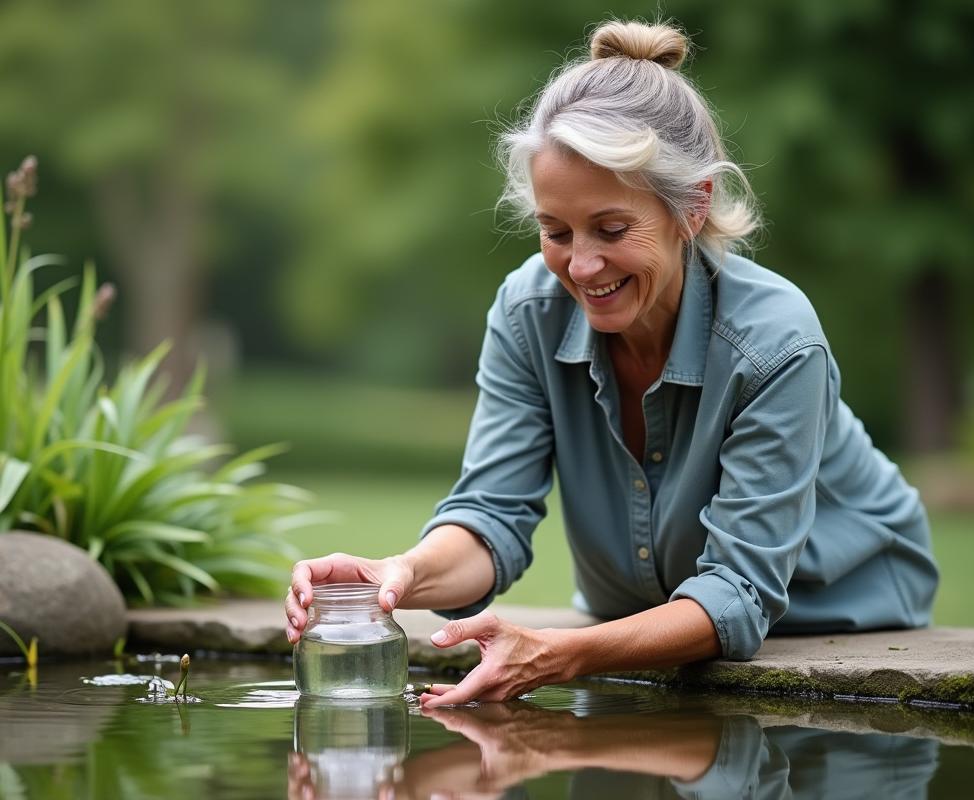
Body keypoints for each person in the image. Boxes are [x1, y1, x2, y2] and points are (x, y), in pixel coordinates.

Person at [285, 19, 939, 707]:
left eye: (612, 229)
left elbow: (738, 593)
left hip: (841, 606)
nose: (582, 265)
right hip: (639, 620)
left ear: (693, 207)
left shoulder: (778, 342)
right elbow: (491, 515)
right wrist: (400, 575)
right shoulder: (526, 313)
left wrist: (562, 655)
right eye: (555, 231)